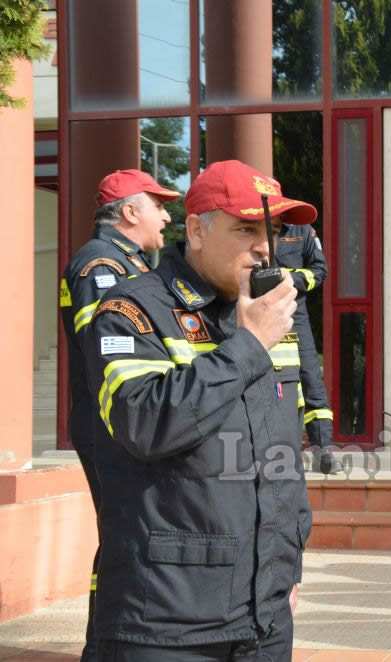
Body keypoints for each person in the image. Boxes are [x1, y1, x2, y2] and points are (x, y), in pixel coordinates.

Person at [84, 160, 313, 660]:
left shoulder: (269, 314)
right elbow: (145, 424)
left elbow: (281, 455)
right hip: (167, 622)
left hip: (264, 614)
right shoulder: (132, 309)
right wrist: (248, 344)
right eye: (246, 228)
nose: (264, 245)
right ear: (196, 230)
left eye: (272, 231)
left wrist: (286, 567)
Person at [59, 169, 179, 662]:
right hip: (108, 426)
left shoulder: (126, 263)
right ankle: (103, 648)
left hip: (122, 426)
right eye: (159, 205)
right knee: (121, 537)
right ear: (130, 212)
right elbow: (102, 355)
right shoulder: (99, 266)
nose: (168, 215)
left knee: (128, 533)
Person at [276, 221, 343, 474]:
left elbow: (319, 271)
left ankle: (323, 451)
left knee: (311, 380)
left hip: (296, 315)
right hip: (255, 311)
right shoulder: (253, 227)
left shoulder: (302, 231)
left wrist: (288, 277)